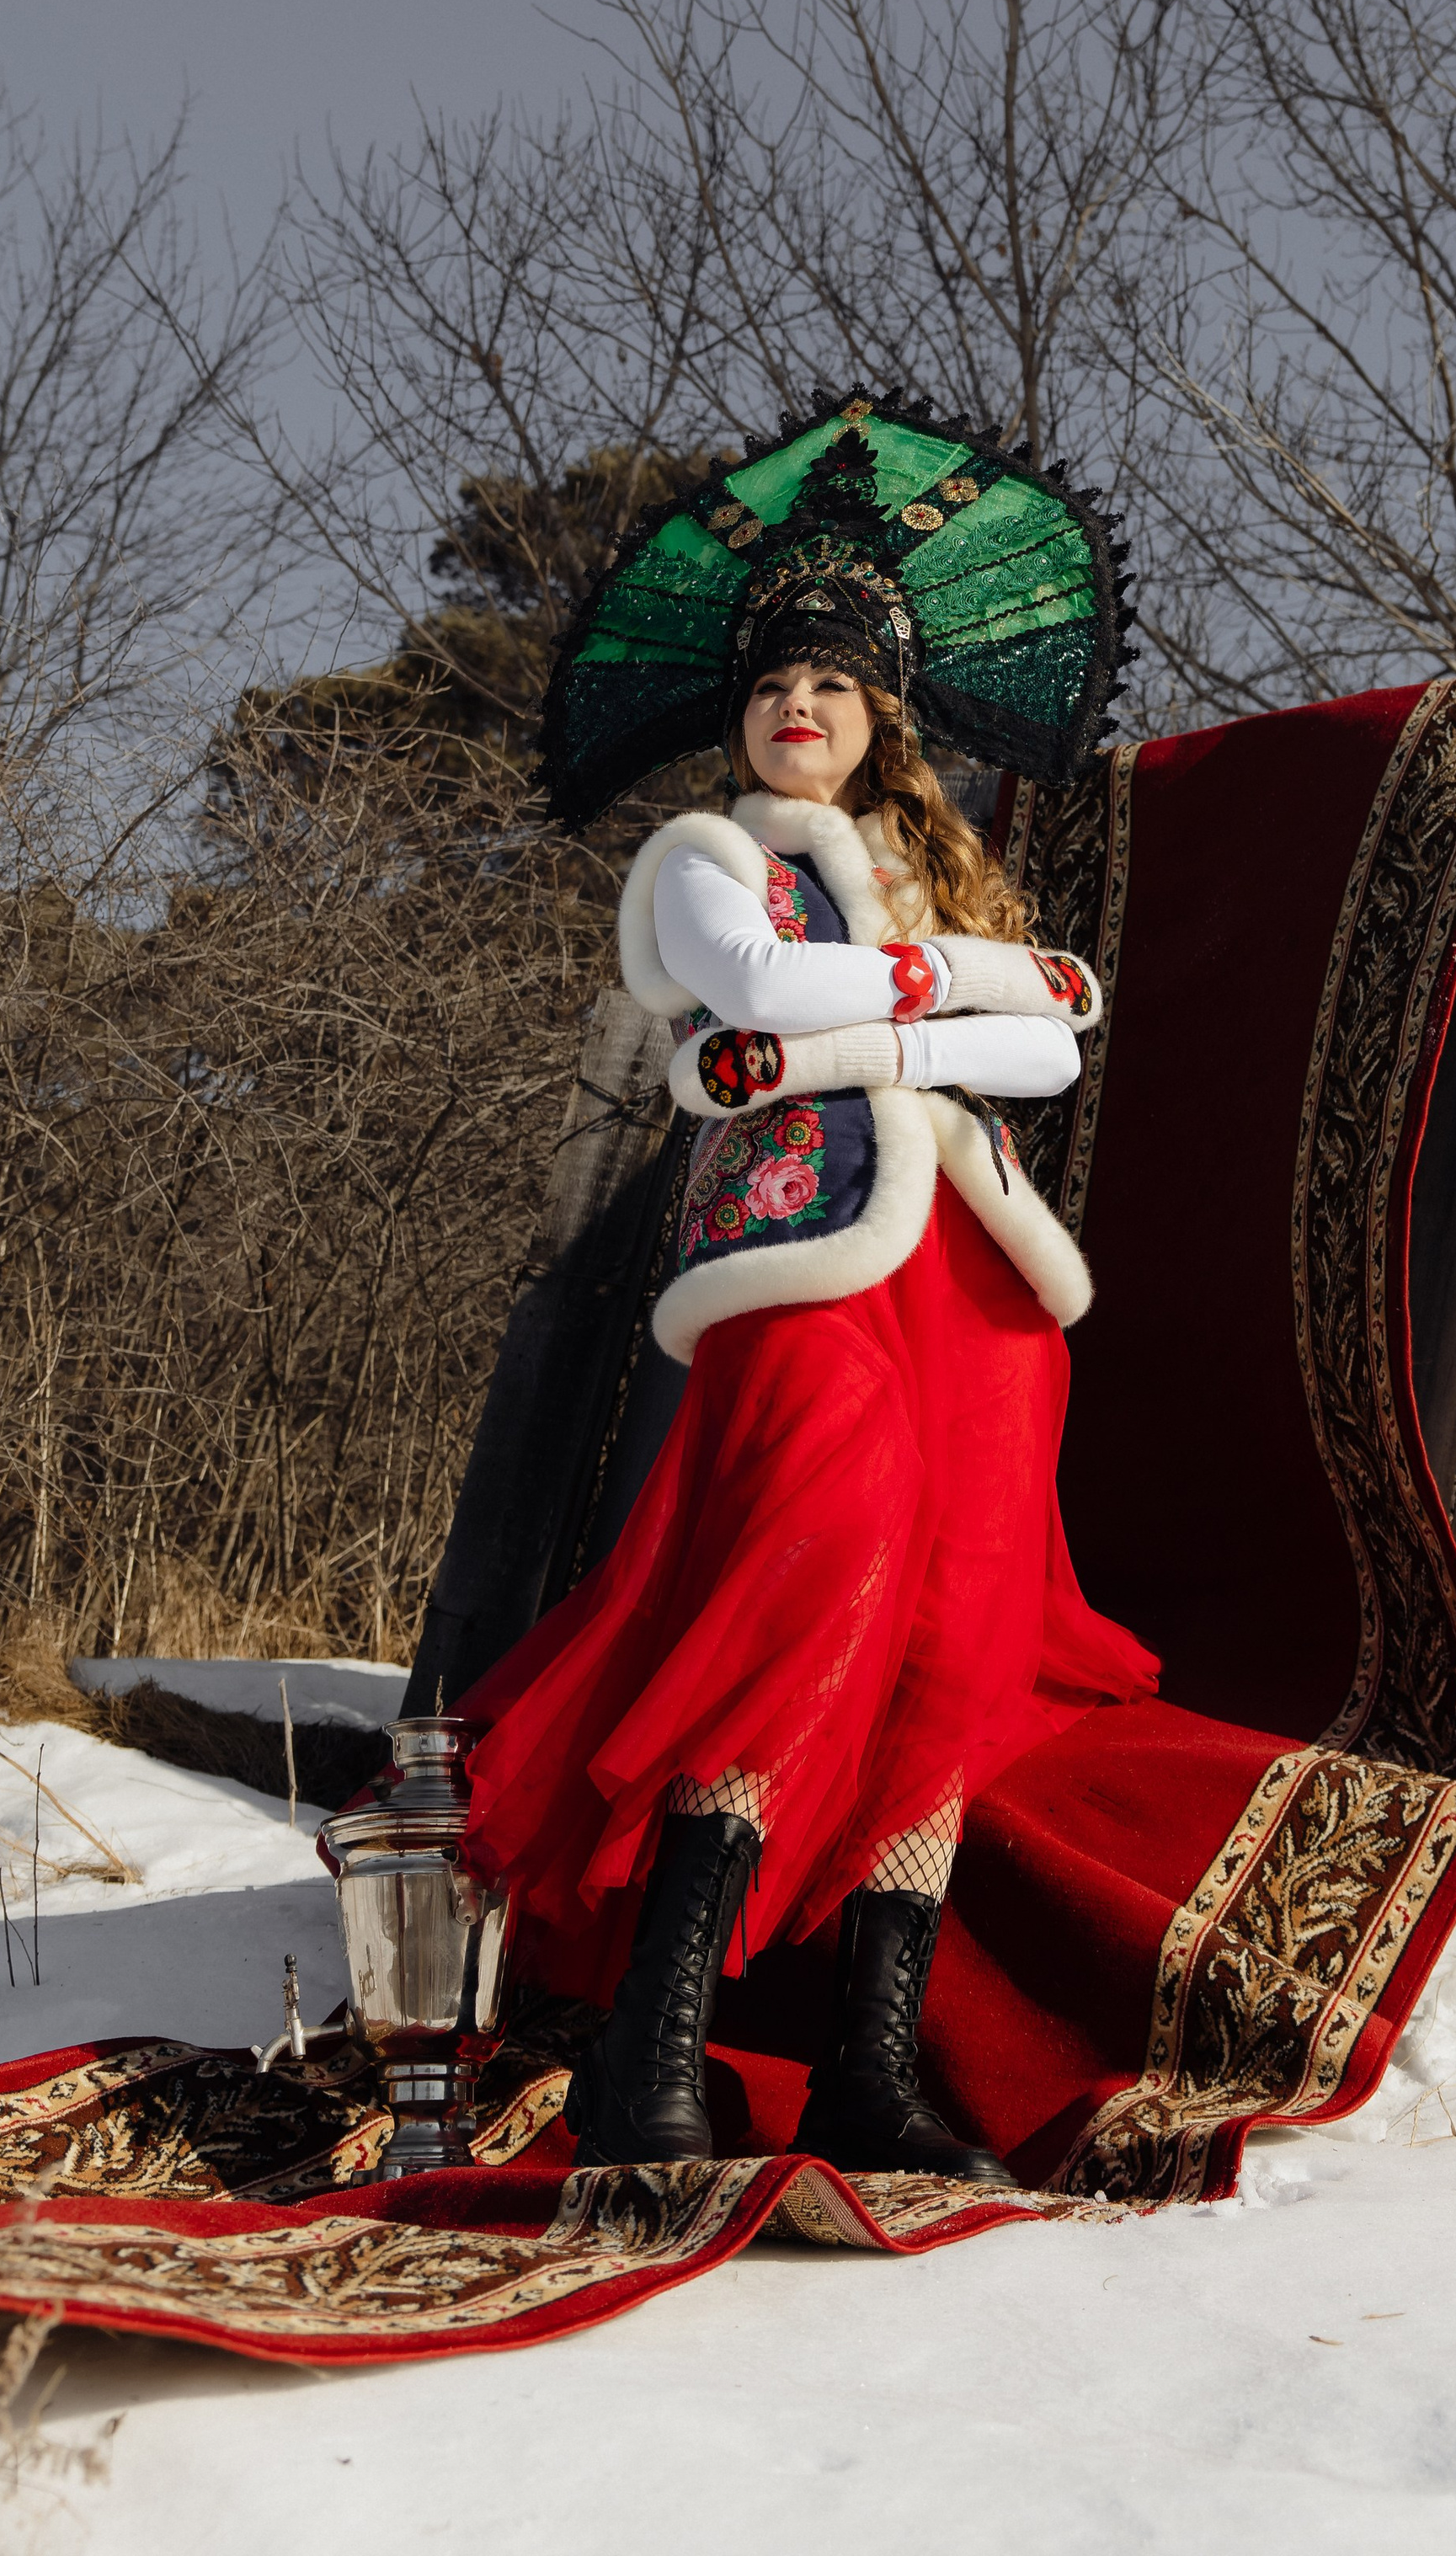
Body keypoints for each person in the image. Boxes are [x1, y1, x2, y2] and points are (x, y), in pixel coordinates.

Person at [461, 390, 1160, 2183]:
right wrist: (961, 992)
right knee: (800, 1587)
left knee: (949, 1637)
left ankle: (869, 2070)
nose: (799, 704)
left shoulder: (938, 866)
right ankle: (649, 2054)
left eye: (834, 683)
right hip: (805, 1269)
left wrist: (897, 1018)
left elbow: (1054, 1057)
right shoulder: (709, 861)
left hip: (979, 1289)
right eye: (774, 681)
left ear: (883, 716)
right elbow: (763, 996)